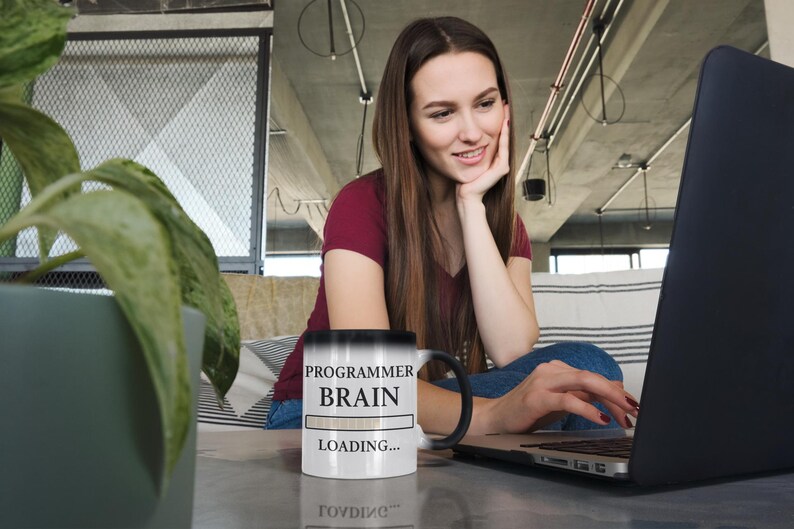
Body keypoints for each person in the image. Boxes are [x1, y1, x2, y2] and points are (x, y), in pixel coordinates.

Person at [267, 16, 640, 433]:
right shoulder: (362, 204)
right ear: (407, 126)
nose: (472, 132)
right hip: (323, 415)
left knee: (581, 377)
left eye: (484, 104)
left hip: (422, 412)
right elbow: (369, 378)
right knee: (584, 370)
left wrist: (471, 206)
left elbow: (511, 350)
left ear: (505, 109)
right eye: (442, 113)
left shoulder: (501, 222)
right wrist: (493, 416)